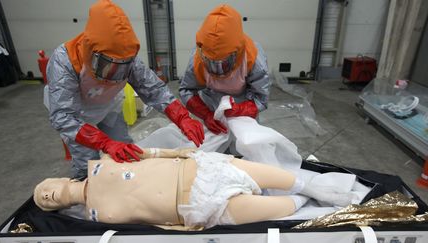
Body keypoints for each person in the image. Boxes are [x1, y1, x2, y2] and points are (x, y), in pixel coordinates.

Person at [46, 0, 204, 179]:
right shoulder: (64, 61)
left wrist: (182, 118)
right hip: (77, 116)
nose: (114, 76)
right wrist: (104, 143)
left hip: (108, 106)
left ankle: (125, 190)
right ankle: (86, 196)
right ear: (91, 53)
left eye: (121, 68)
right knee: (87, 164)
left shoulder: (127, 58)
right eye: (107, 66)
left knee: (125, 151)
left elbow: (155, 90)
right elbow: (63, 116)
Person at [34, 148, 355, 229]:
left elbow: (148, 153)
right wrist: (183, 228)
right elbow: (147, 228)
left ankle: (316, 187)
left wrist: (183, 152)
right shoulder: (94, 219)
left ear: (58, 179)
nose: (46, 196)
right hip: (197, 209)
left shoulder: (102, 161)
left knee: (289, 180)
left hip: (198, 170)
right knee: (285, 208)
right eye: (45, 202)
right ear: (56, 208)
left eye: (44, 189)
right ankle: (309, 199)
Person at [179, 4, 271, 135]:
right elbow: (186, 90)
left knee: (243, 146)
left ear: (237, 52)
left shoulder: (253, 58)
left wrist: (239, 110)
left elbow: (261, 99)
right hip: (209, 103)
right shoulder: (197, 60)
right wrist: (206, 114)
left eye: (224, 63)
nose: (218, 70)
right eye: (211, 63)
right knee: (211, 152)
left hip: (243, 103)